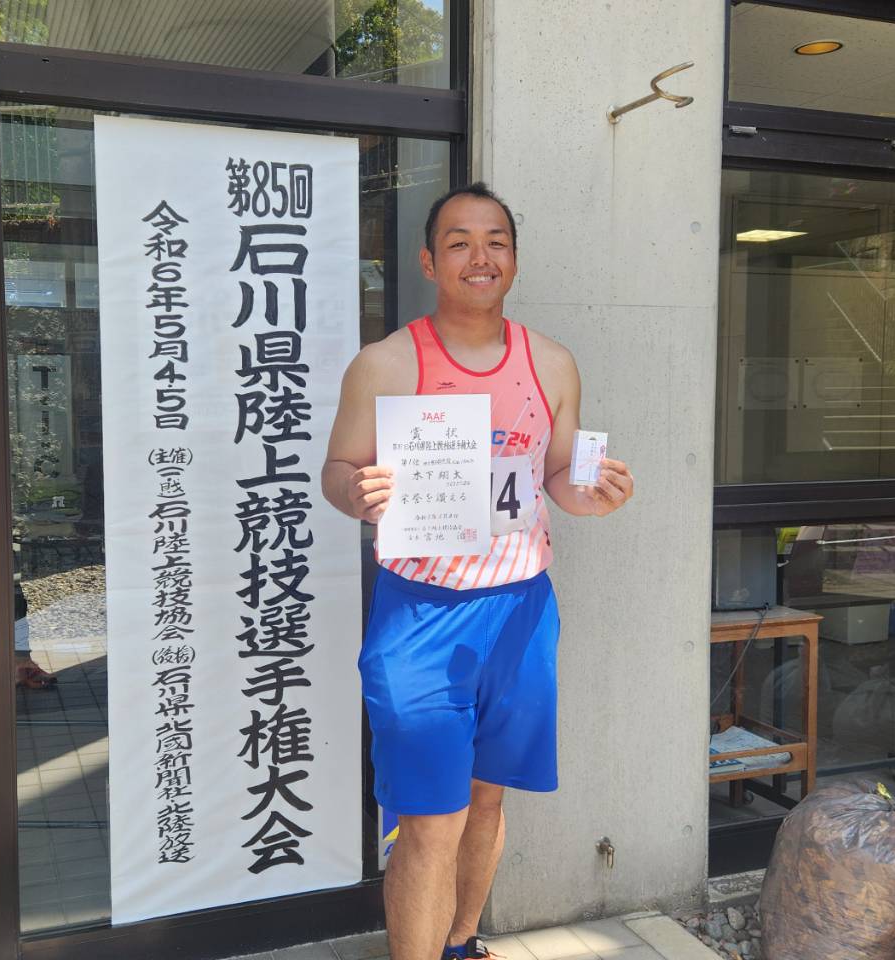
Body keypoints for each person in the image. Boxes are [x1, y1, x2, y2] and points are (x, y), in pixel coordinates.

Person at [321, 183, 636, 960]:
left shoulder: (551, 363)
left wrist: (592, 496)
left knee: (487, 801)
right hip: (420, 612)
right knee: (430, 819)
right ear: (430, 262)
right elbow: (337, 469)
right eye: (458, 242)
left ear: (514, 259)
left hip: (520, 609)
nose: (479, 256)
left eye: (495, 241)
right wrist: (356, 493)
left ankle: (461, 942)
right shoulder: (385, 363)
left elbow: (558, 474)